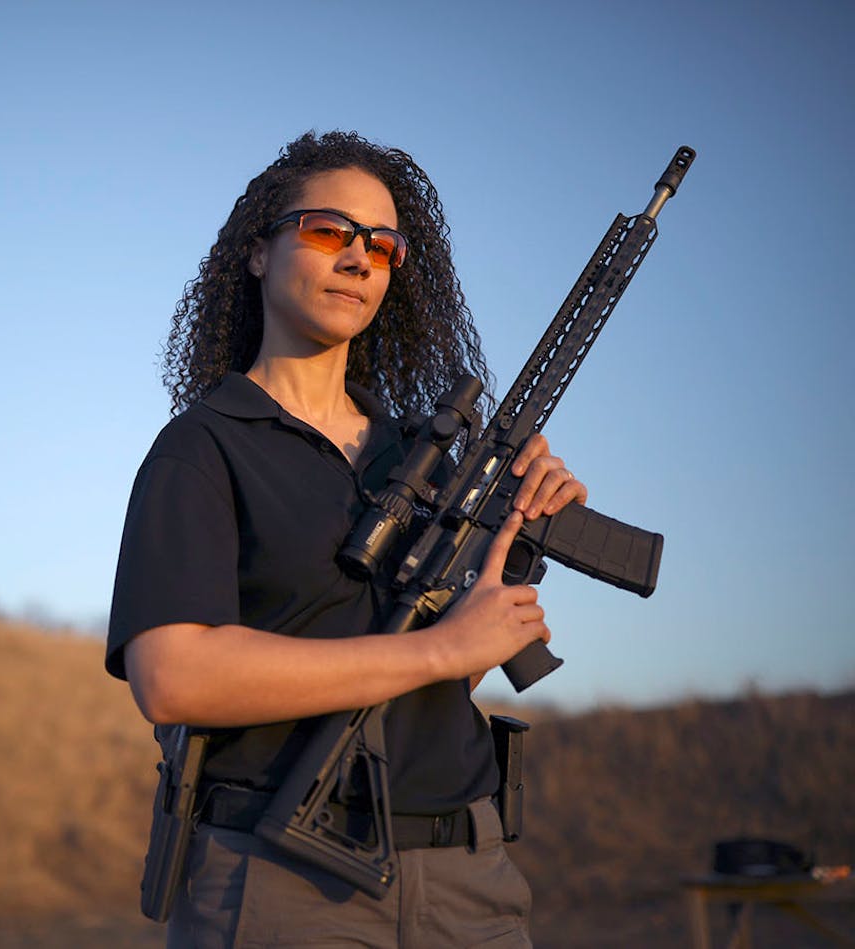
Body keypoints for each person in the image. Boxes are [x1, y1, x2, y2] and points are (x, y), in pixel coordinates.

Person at [105, 131, 589, 948]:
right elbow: (173, 676)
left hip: (469, 877)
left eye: (383, 244)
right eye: (328, 231)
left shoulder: (424, 458)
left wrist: (516, 527)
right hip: (281, 881)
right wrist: (435, 651)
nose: (358, 258)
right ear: (257, 252)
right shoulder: (204, 447)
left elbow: (452, 668)